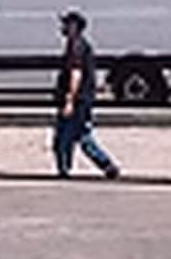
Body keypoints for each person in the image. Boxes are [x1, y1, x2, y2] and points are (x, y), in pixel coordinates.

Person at [47, 10, 121, 180]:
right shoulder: (80, 45)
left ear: (74, 27)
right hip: (83, 99)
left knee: (63, 138)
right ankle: (107, 166)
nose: (62, 27)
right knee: (82, 136)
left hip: (77, 100)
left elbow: (76, 74)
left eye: (66, 24)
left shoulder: (76, 47)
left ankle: (64, 169)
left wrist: (69, 100)